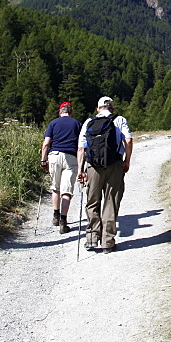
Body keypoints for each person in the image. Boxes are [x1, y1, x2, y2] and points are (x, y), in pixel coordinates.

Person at [77, 96, 133, 252]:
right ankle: (108, 241)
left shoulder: (89, 122)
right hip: (114, 164)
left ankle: (92, 238)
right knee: (111, 202)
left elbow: (81, 148)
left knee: (92, 201)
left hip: (93, 166)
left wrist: (81, 170)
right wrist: (127, 160)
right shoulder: (119, 120)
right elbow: (128, 141)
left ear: (98, 109)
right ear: (112, 108)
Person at [40, 101, 82, 234]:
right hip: (71, 157)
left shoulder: (53, 123)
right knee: (67, 191)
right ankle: (63, 221)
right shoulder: (77, 124)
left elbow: (46, 143)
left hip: (54, 155)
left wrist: (43, 160)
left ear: (60, 111)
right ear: (71, 111)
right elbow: (81, 145)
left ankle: (55, 215)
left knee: (55, 187)